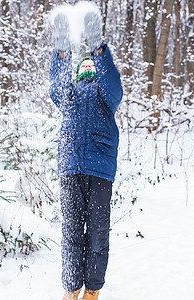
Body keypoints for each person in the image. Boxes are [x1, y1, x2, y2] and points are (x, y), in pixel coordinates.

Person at [49, 10, 123, 300]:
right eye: (87, 66)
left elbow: (113, 85)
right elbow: (57, 87)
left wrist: (99, 49)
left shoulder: (106, 96)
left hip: (99, 170)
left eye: (94, 66)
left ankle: (92, 291)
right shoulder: (69, 95)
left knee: (97, 233)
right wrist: (62, 50)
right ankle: (71, 290)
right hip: (70, 169)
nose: (89, 70)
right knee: (71, 235)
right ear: (79, 71)